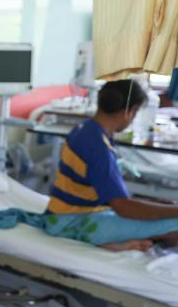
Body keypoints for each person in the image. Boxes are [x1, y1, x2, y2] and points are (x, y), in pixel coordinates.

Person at [43, 79, 178, 250]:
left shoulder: (85, 129)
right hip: (72, 222)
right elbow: (123, 207)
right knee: (174, 224)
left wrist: (161, 205)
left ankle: (124, 243)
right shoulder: (99, 148)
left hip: (61, 214)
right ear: (131, 111)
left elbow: (111, 196)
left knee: (165, 209)